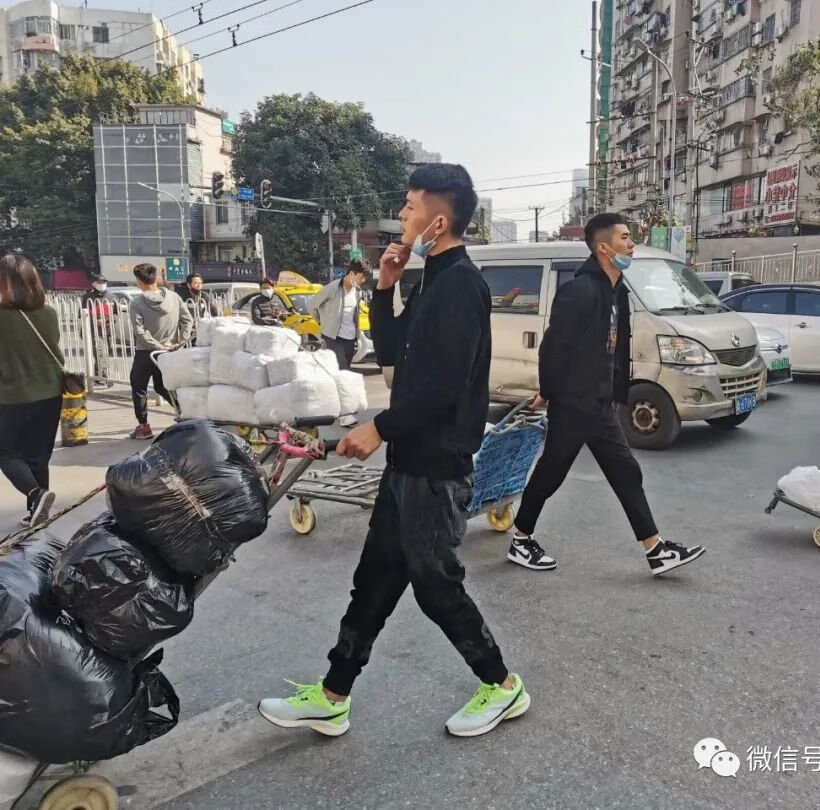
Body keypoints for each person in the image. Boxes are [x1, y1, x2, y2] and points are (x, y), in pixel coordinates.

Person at [259, 164, 528, 739]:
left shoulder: (462, 285)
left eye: (408, 208)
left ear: (437, 219)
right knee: (375, 580)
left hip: (436, 463)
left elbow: (444, 385)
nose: (400, 217)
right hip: (410, 459)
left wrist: (379, 427)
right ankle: (333, 696)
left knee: (436, 586)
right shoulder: (429, 277)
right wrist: (385, 285)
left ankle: (503, 687)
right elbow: (394, 352)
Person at [508, 213, 705, 576]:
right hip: (574, 402)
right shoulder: (580, 290)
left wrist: (615, 392)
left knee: (626, 472)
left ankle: (655, 549)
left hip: (599, 403)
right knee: (551, 472)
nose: (631, 244)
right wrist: (549, 393)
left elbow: (611, 348)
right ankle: (521, 539)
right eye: (625, 238)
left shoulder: (617, 291)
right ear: (603, 247)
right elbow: (553, 347)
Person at [0, 254, 63, 527]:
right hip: (51, 393)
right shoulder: (49, 313)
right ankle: (38, 513)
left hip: (13, 396)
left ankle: (36, 495)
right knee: (38, 455)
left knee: (5, 452)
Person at [128, 263, 192, 440]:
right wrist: (181, 341)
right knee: (165, 386)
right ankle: (186, 414)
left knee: (139, 386)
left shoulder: (137, 303)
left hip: (146, 352)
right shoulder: (173, 297)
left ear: (139, 281)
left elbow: (139, 331)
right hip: (170, 350)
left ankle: (143, 426)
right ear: (155, 278)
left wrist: (156, 345)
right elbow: (187, 320)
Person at [307, 258, 370, 370]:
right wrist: (321, 321)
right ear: (351, 273)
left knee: (346, 369)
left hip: (350, 338)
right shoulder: (332, 288)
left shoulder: (357, 291)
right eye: (361, 277)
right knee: (342, 369)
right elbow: (311, 305)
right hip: (334, 338)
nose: (363, 280)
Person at [81, 276, 114, 383]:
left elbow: (116, 314)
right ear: (94, 284)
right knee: (99, 352)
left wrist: (108, 321)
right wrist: (95, 321)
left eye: (104, 282)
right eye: (99, 282)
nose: (102, 284)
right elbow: (83, 314)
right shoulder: (88, 297)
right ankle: (103, 376)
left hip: (107, 330)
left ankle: (97, 373)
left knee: (106, 352)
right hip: (93, 330)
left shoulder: (111, 297)